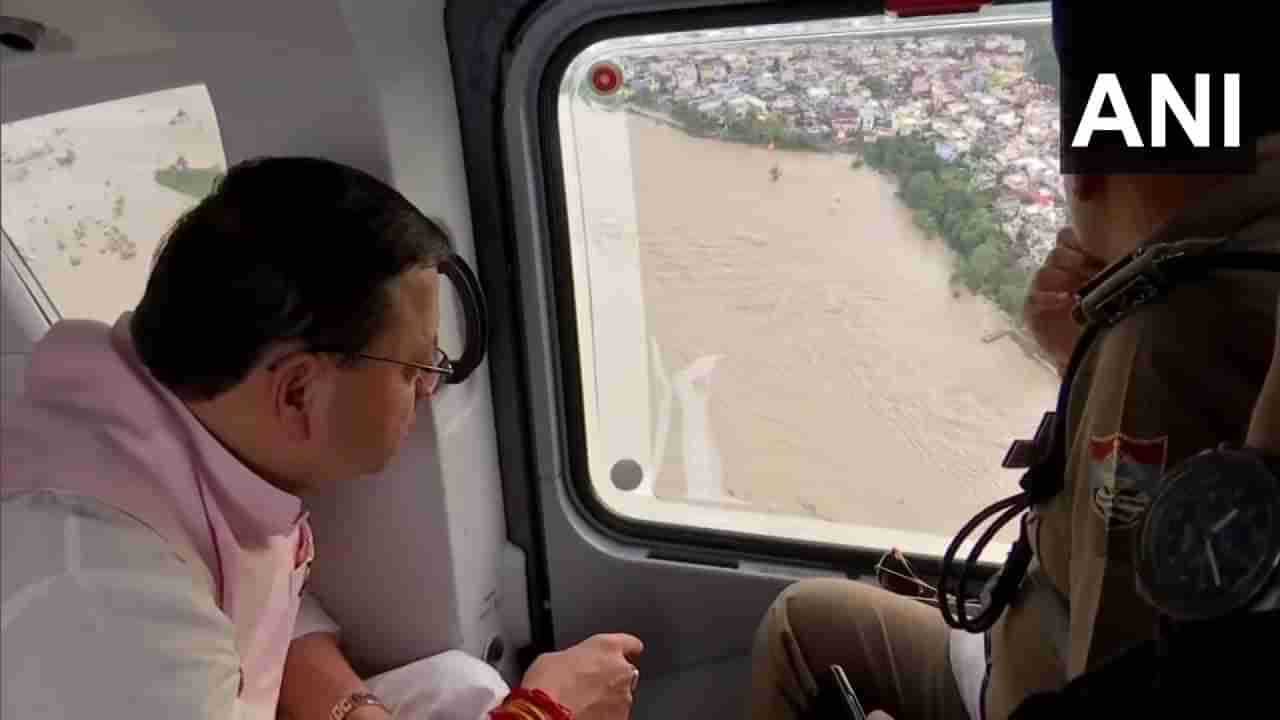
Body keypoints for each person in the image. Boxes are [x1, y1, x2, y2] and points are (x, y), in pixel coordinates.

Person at [747, 4, 1278, 720]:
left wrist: (1112, 349)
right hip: (1021, 634)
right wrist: (1078, 354)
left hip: (1025, 688)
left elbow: (1120, 681)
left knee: (798, 627)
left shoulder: (1165, 332)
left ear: (1086, 163)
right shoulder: (1243, 258)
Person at [0, 157, 642, 720]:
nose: (430, 389)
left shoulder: (185, 452)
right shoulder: (102, 593)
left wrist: (352, 710)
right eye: (415, 368)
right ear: (298, 392)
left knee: (459, 685)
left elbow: (261, 600)